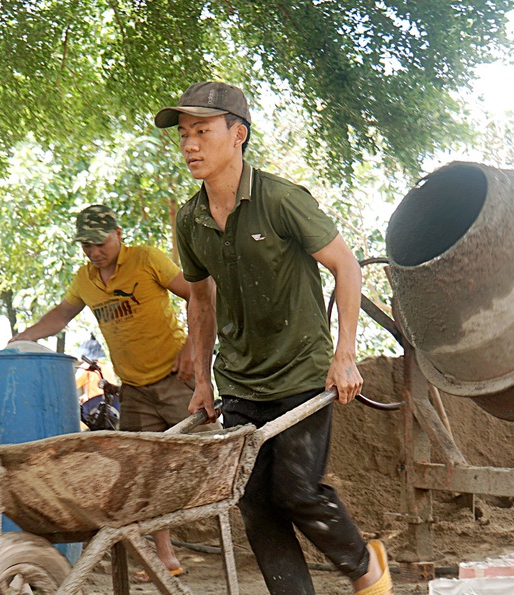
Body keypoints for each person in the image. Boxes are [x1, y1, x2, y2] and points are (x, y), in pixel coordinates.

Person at [155, 81, 392, 595]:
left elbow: (346, 267)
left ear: (237, 134)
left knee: (296, 489)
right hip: (240, 381)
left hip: (302, 371)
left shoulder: (283, 200)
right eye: (184, 135)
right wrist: (201, 379)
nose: (190, 145)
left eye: (202, 131)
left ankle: (366, 570)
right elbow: (199, 299)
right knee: (255, 502)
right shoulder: (191, 220)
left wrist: (345, 355)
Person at [10, 204, 213, 577]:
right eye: (86, 246)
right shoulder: (85, 278)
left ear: (118, 233)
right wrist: (23, 337)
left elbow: (199, 294)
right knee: (143, 473)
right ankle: (166, 558)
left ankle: (247, 534)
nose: (94, 251)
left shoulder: (147, 259)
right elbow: (61, 315)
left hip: (176, 379)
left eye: (100, 243)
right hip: (133, 389)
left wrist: (193, 350)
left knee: (214, 458)